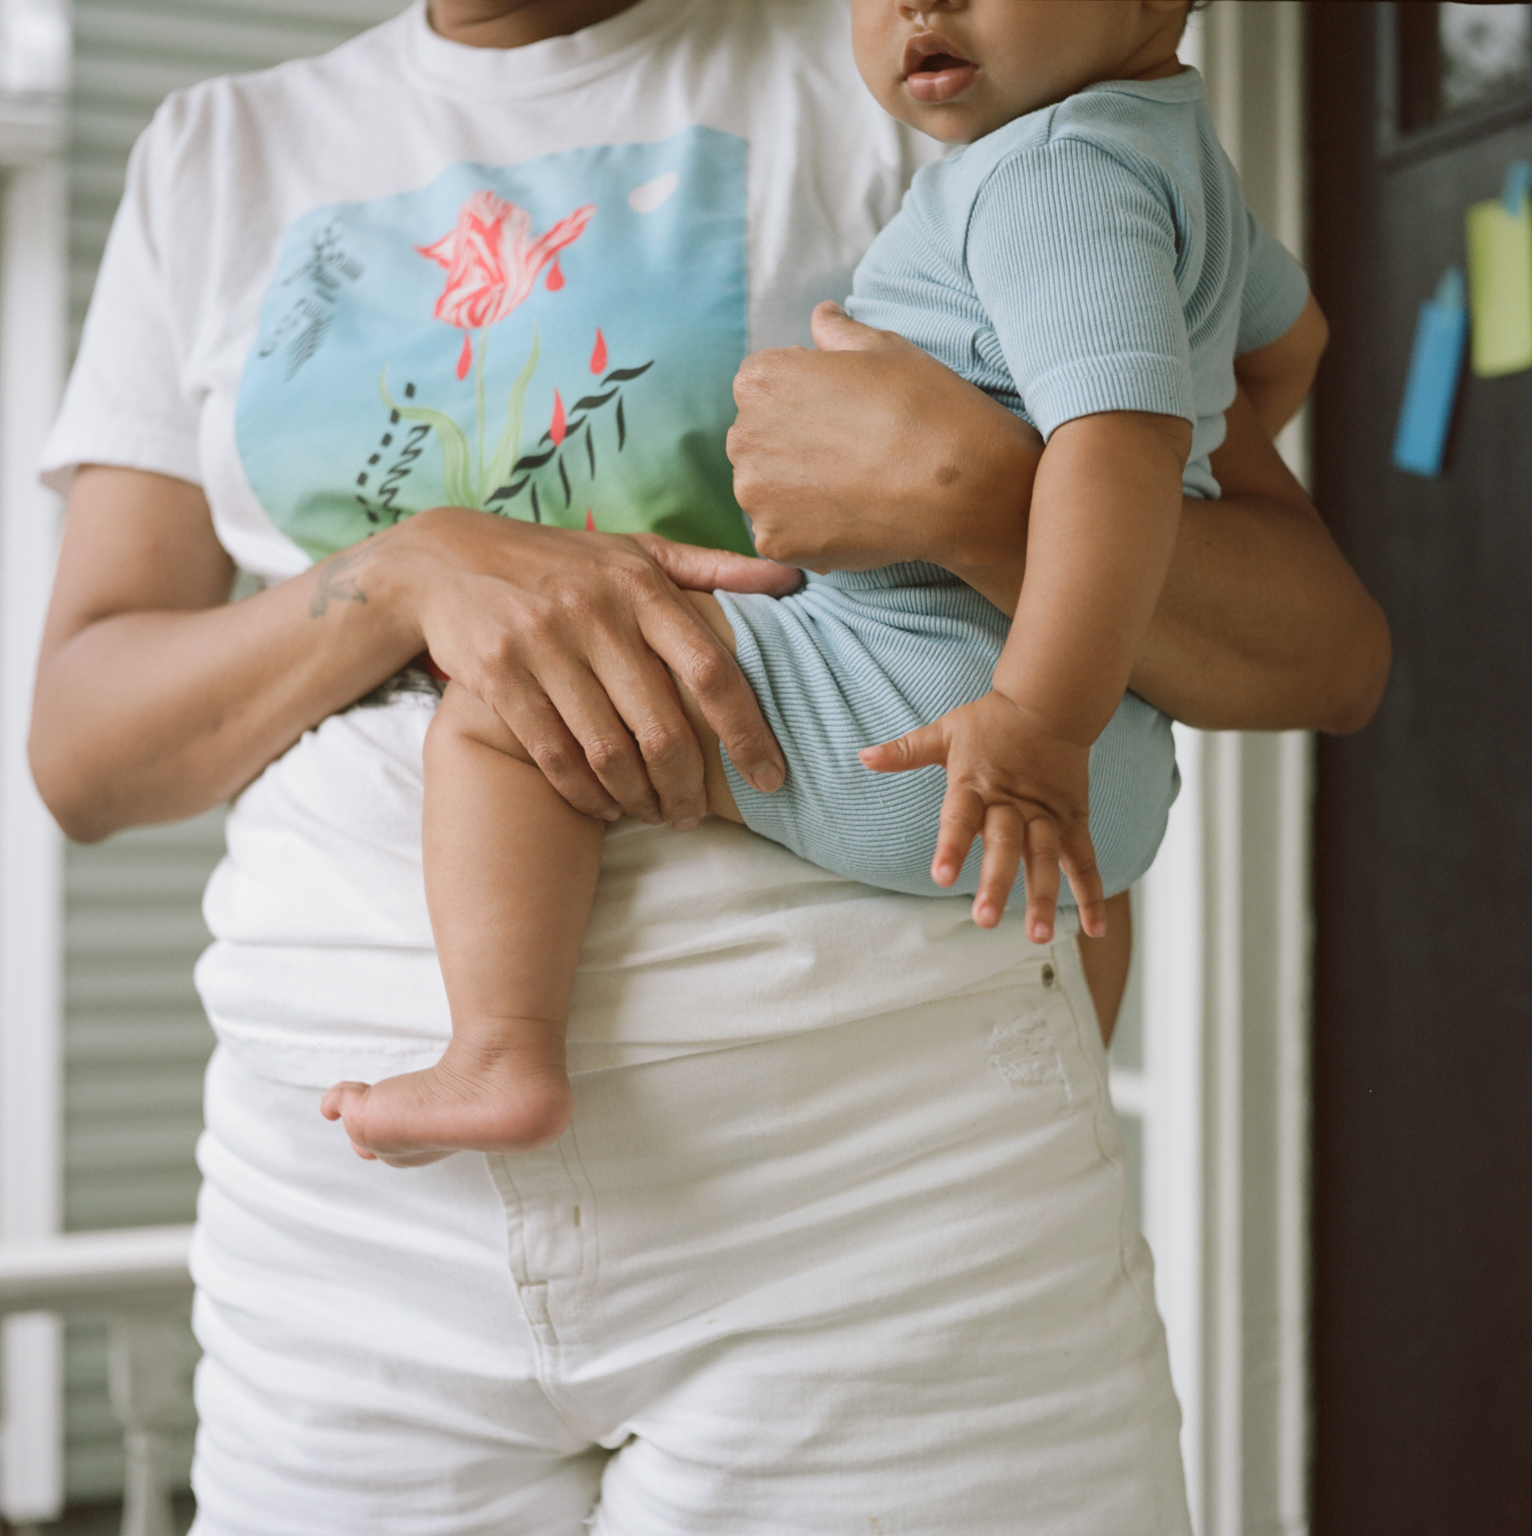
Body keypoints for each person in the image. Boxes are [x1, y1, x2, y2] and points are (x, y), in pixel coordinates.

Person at [29, 1, 1388, 1531]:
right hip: (347, 1222)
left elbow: (1322, 654)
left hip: (879, 1197)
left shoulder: (937, 76)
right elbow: (85, 754)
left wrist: (969, 497)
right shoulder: (215, 154)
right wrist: (406, 578)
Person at [318, 0, 1327, 1169]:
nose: (918, 6)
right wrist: (1155, 508)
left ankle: (498, 1051)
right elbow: (1288, 349)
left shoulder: (1048, 174)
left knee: (504, 703)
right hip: (1101, 747)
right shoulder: (1172, 147)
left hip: (952, 719)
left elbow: (1120, 448)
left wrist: (1042, 713)